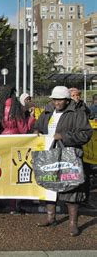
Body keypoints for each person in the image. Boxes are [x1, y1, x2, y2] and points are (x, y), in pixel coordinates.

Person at [33, 86, 93, 236]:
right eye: (54, 99)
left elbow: (86, 134)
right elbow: (38, 127)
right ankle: (50, 217)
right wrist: (36, 131)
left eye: (60, 100)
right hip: (49, 154)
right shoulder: (47, 112)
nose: (57, 102)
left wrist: (64, 136)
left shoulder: (77, 113)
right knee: (49, 184)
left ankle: (73, 223)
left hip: (69, 155)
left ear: (67, 100)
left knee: (72, 188)